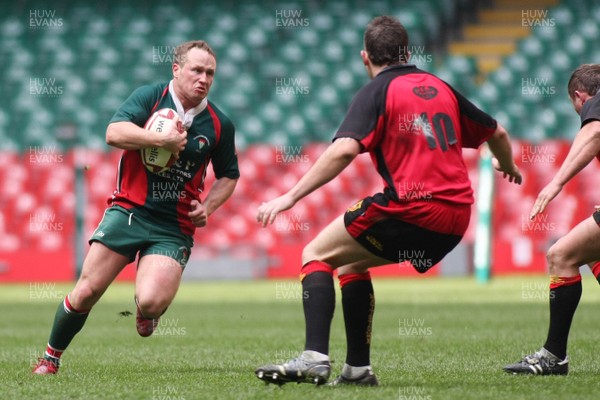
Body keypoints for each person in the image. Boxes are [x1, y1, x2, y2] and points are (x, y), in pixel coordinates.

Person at [254, 15, 522, 387]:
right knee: (348, 267)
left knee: (315, 255)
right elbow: (499, 132)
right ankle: (358, 371)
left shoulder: (377, 91)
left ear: (365, 57)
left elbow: (344, 150)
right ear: (408, 52)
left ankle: (314, 358)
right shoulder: (440, 87)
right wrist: (507, 166)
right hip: (457, 219)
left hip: (411, 210)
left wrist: (290, 196)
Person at [32, 40, 239, 375]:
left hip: (174, 226)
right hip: (128, 211)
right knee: (86, 291)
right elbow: (113, 133)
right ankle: (49, 359)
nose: (204, 78)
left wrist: (209, 207)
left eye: (210, 73)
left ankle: (145, 310)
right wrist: (161, 140)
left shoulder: (219, 124)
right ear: (176, 69)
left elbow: (230, 175)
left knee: (153, 300)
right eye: (196, 70)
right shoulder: (150, 97)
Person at [504, 64, 600, 376]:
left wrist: (555, 183)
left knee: (561, 255)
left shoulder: (594, 101)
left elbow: (594, 131)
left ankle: (553, 356)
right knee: (591, 252)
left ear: (578, 96)